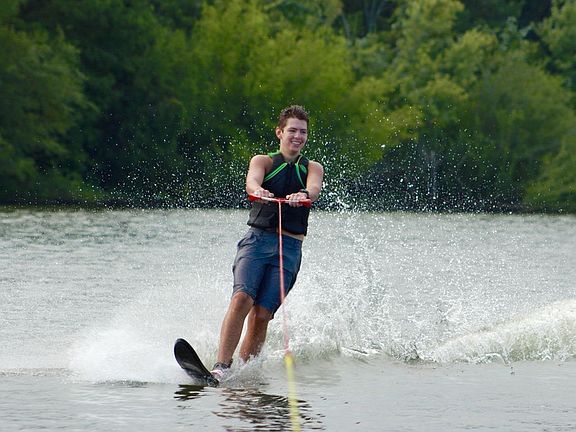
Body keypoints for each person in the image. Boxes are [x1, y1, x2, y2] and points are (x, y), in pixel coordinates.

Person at [211, 105, 324, 380]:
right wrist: (258, 190)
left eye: (303, 132)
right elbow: (251, 182)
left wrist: (303, 194)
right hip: (257, 242)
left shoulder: (313, 168)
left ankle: (244, 372)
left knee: (262, 314)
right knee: (242, 298)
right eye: (292, 130)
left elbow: (314, 189)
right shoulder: (263, 161)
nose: (298, 136)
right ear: (279, 132)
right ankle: (221, 367)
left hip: (290, 248)